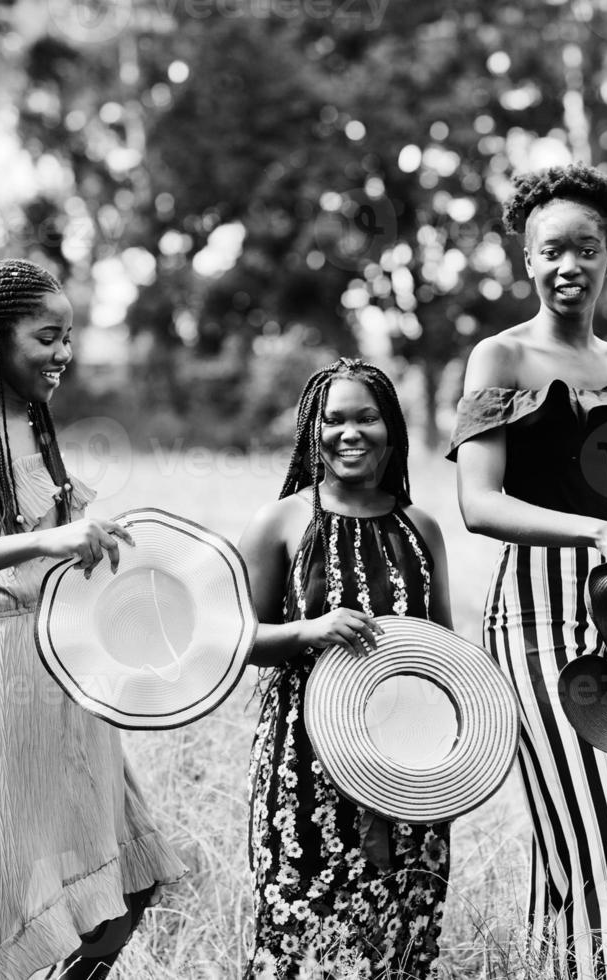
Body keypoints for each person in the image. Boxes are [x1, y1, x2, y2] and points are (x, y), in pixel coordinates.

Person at [0, 259, 183, 980]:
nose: (64, 354)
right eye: (47, 336)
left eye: (70, 337)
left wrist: (88, 533)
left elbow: (49, 530)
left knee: (128, 884)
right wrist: (44, 539)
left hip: (63, 668)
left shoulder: (32, 417)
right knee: (1, 895)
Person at [449, 164, 607, 980]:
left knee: (566, 843)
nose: (568, 264)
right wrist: (598, 535)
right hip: (534, 625)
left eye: (586, 247)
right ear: (527, 260)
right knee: (601, 843)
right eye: (551, 251)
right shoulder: (498, 357)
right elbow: (478, 504)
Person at [238, 357, 455, 980]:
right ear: (313, 430)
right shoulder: (282, 521)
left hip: (406, 763)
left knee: (399, 936)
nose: (350, 432)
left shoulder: (421, 529)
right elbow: (236, 639)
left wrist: (453, 751)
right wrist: (309, 631)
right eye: (333, 420)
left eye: (368, 417)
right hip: (303, 767)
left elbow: (443, 650)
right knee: (299, 939)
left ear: (393, 430)